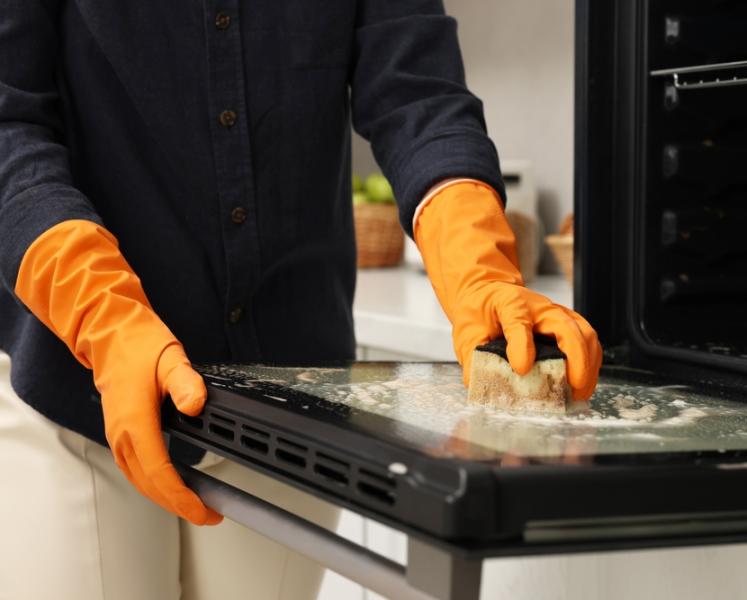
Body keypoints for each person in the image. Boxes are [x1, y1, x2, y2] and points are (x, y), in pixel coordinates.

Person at [0, 1, 602, 598]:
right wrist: (103, 315)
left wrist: (481, 270)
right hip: (75, 396)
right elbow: (8, 122)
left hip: (285, 398)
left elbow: (416, 92)